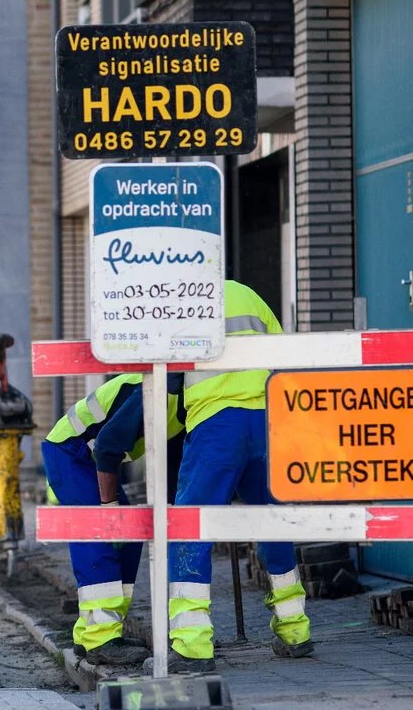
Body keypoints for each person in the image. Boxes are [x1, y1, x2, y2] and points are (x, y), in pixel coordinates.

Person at [156, 279, 313, 673]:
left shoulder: (181, 296)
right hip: (267, 420)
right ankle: (295, 631)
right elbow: (283, 355)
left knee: (190, 528)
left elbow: (169, 371)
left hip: (215, 424)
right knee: (272, 523)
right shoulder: (251, 294)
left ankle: (193, 647)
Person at [42, 375, 185, 665]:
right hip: (70, 450)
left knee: (129, 539)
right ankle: (101, 639)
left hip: (88, 456)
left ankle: (98, 631)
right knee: (101, 535)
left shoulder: (185, 407)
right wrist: (110, 509)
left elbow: (172, 464)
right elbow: (107, 447)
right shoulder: (160, 389)